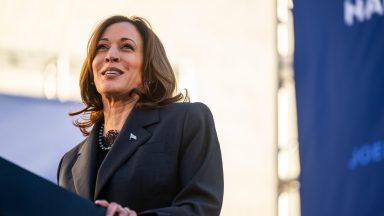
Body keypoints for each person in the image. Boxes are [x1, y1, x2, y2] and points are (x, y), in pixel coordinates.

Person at [57, 15, 224, 216]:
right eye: (102, 47)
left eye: (126, 47)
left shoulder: (188, 121)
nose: (111, 55)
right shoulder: (69, 163)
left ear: (149, 68)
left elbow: (202, 208)